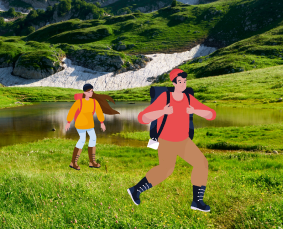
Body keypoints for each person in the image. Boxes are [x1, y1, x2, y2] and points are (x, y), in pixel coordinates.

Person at [127, 68, 217, 212]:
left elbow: (211, 114)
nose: (183, 84)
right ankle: (135, 190)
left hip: (184, 141)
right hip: (166, 141)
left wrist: (195, 111)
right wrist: (163, 111)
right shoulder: (165, 98)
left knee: (201, 163)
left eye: (185, 81)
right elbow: (142, 118)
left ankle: (197, 201)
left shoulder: (188, 99)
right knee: (166, 170)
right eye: (180, 81)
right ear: (174, 83)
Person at [64, 83, 106, 170]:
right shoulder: (79, 102)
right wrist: (68, 122)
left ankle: (92, 162)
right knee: (82, 139)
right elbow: (72, 111)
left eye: (92, 91)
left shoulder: (94, 102)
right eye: (89, 91)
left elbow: (99, 112)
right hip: (80, 124)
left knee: (93, 138)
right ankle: (73, 162)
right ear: (85, 92)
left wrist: (102, 122)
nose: (91, 92)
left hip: (90, 124)